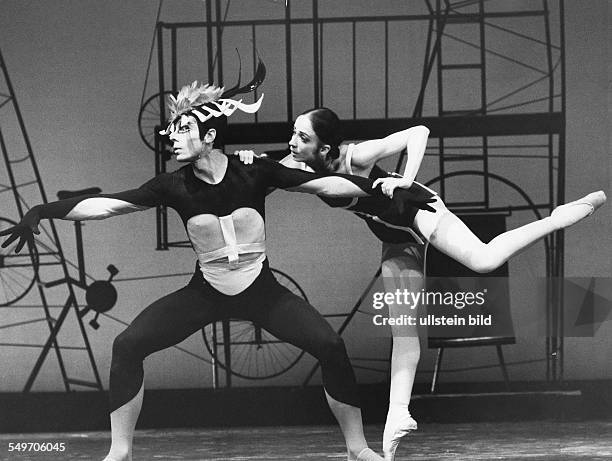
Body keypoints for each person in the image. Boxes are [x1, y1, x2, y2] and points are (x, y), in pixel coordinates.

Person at [0, 73, 435, 461]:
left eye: (182, 128)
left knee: (330, 347)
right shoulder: (171, 185)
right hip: (205, 293)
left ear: (208, 135)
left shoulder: (255, 172)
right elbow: (106, 206)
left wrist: (382, 188)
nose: (171, 136)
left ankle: (357, 448)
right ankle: (121, 451)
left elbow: (322, 181)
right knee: (128, 346)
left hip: (262, 293)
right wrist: (42, 210)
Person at [234, 106, 606, 461]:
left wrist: (407, 178)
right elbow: (269, 173)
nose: (293, 142)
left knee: (484, 259)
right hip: (396, 239)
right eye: (293, 134)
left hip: (419, 213)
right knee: (403, 332)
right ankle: (398, 419)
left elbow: (419, 132)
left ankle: (557, 219)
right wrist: (250, 160)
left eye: (301, 136)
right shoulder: (297, 160)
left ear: (325, 147)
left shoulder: (357, 155)